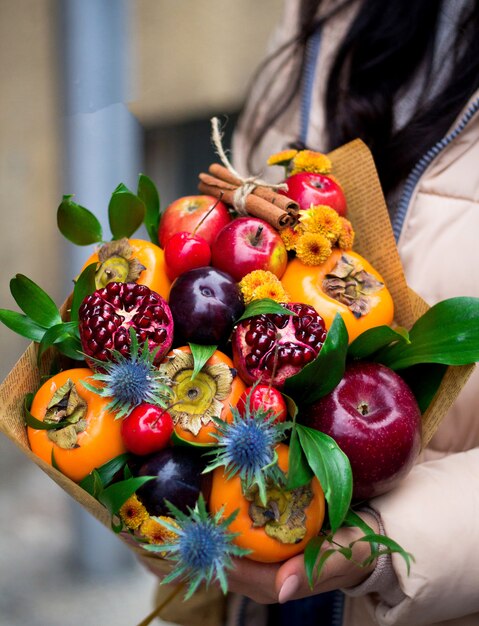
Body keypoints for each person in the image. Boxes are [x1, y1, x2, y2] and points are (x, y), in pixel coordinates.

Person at [147, 1, 479, 625]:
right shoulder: (324, 12)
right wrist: (156, 483)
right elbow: (220, 264)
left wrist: (392, 546)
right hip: (249, 572)